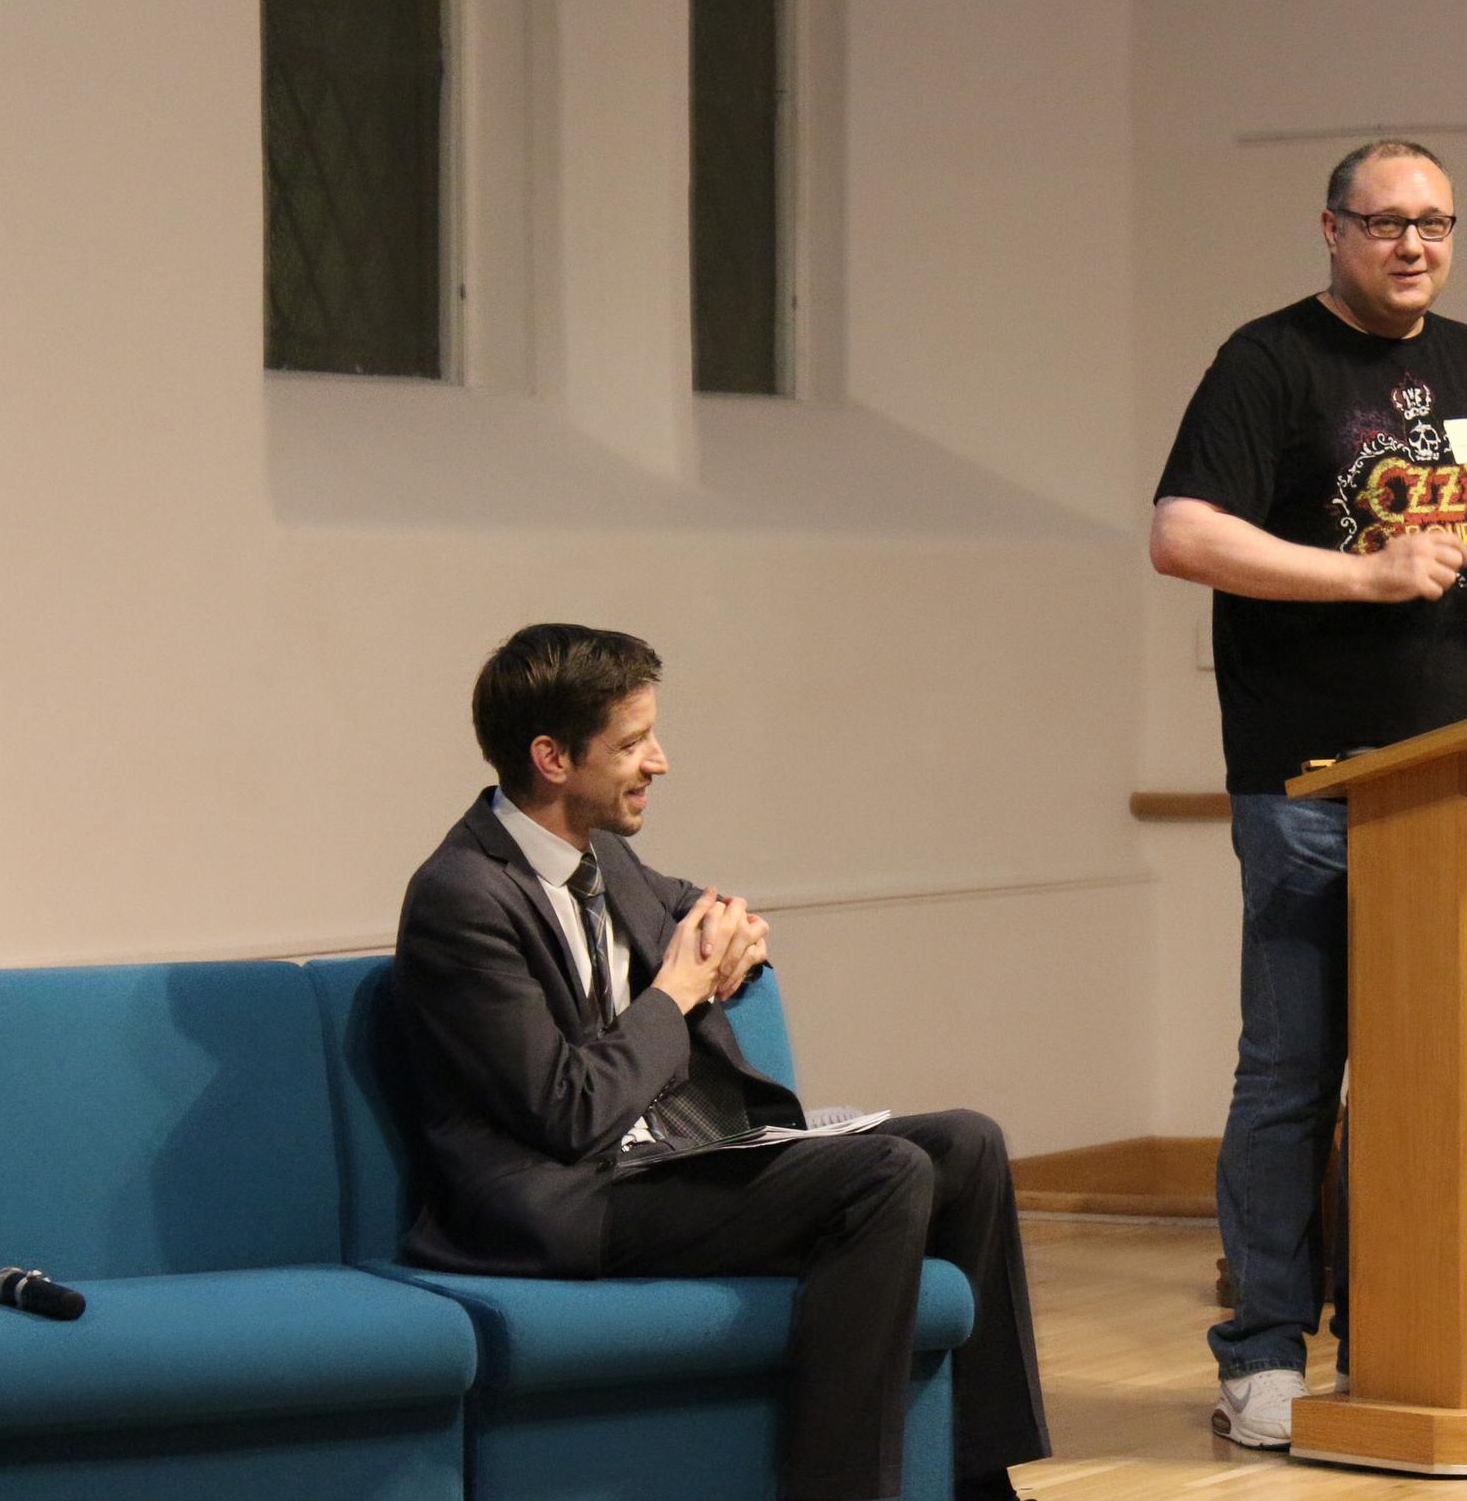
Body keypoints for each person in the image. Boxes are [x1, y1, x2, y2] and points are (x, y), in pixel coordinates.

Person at [391, 623, 1048, 1501]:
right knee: (881, 1175)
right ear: (552, 757)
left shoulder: (603, 858)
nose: (657, 761)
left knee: (967, 1145)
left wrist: (734, 932)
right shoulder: (463, 894)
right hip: (565, 1199)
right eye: (631, 743)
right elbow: (568, 1113)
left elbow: (696, 908)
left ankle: (974, 1483)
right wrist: (679, 990)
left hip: (658, 1164)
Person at [1149, 140, 1467, 1449]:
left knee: (1430, 1075)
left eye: (1435, 223)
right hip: (1308, 784)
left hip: (1456, 789)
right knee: (1293, 1070)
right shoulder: (1266, 363)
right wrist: (1362, 578)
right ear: (1330, 230)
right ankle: (1265, 1353)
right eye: (1386, 223)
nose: (1413, 246)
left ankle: (1406, 1339)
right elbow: (1183, 532)